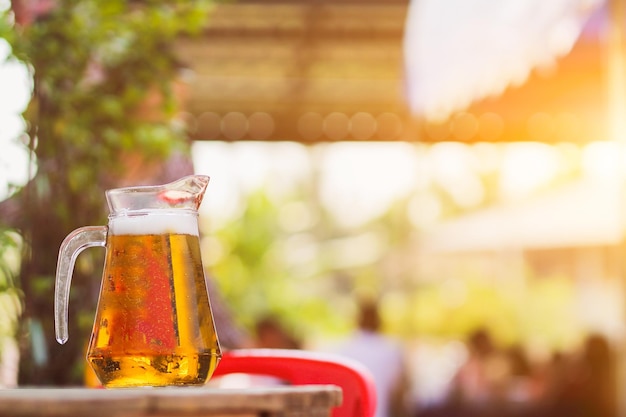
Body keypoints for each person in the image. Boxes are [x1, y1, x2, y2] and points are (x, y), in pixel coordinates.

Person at [335, 298, 410, 417]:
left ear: (357, 320)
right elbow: (400, 393)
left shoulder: (343, 350)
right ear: (379, 320)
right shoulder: (392, 349)